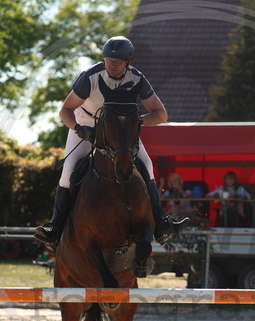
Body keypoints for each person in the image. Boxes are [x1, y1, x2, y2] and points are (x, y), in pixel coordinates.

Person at [34, 36, 189, 248]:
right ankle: (55, 227)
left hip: (118, 129)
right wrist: (79, 129)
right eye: (108, 60)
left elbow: (161, 114)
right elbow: (65, 110)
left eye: (117, 61)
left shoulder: (137, 78)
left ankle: (161, 222)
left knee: (147, 164)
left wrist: (135, 122)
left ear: (128, 61)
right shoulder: (90, 77)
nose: (111, 65)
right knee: (69, 169)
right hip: (86, 124)